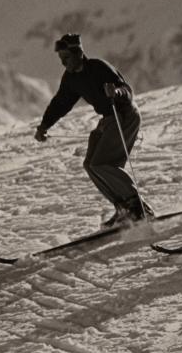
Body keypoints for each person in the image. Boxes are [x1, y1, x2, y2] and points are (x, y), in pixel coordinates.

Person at [34, 33, 154, 227]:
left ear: (78, 53)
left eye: (66, 57)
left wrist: (116, 92)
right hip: (109, 119)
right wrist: (44, 125)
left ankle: (139, 207)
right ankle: (123, 208)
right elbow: (60, 103)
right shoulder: (71, 78)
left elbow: (127, 91)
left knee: (102, 163)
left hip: (124, 115)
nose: (63, 63)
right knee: (90, 165)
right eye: (61, 59)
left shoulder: (99, 67)